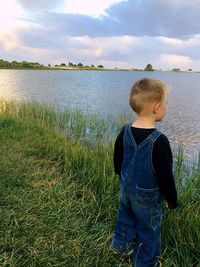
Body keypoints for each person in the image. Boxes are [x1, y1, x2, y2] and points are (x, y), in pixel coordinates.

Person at [110, 78, 178, 267]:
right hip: (147, 196)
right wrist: (171, 199)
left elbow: (118, 157)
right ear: (156, 108)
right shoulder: (159, 140)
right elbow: (165, 175)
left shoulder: (125, 131)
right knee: (149, 229)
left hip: (126, 188)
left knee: (125, 215)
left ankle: (121, 246)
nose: (166, 107)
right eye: (166, 103)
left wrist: (120, 174)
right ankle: (145, 262)